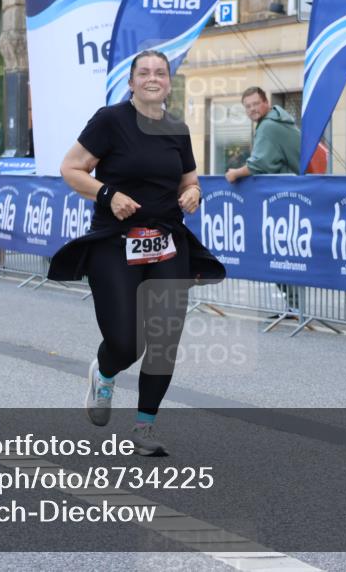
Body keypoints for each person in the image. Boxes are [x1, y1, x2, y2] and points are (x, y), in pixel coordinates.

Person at [49, 50, 224, 456]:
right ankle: (105, 372)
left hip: (166, 242)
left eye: (159, 72)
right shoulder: (110, 120)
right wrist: (108, 194)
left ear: (168, 81)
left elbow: (188, 179)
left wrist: (194, 193)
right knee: (126, 341)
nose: (151, 78)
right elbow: (71, 168)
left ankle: (144, 428)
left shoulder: (177, 128)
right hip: (115, 241)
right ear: (130, 82)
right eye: (143, 72)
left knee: (163, 339)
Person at [225, 86, 301, 314]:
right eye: (247, 106)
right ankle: (295, 304)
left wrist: (235, 173)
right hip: (291, 196)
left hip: (284, 199)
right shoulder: (276, 121)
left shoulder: (268, 126)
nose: (252, 109)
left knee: (278, 251)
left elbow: (260, 163)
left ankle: (297, 305)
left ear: (266, 102)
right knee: (284, 252)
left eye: (255, 104)